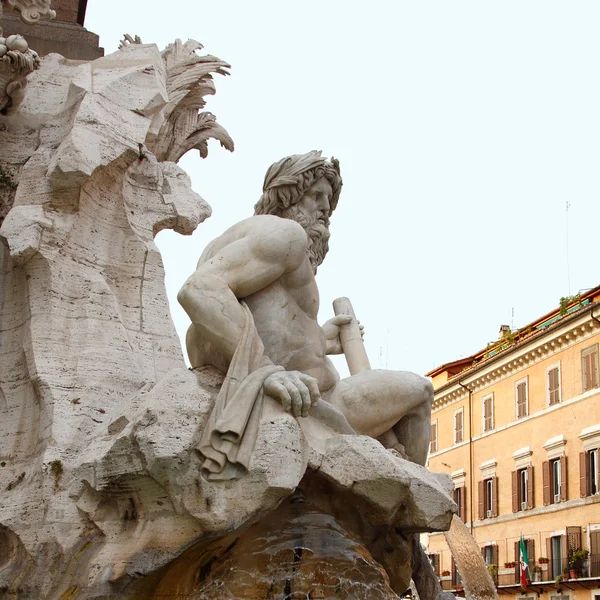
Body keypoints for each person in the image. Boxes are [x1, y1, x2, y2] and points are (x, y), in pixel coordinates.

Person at [178, 151, 433, 477]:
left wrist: (322, 341)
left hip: (300, 389)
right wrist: (268, 372)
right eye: (316, 196)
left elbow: (262, 324)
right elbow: (198, 291)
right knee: (420, 391)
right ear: (288, 196)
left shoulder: (236, 242)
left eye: (329, 199)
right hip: (316, 401)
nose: (326, 209)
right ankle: (402, 517)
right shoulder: (285, 235)